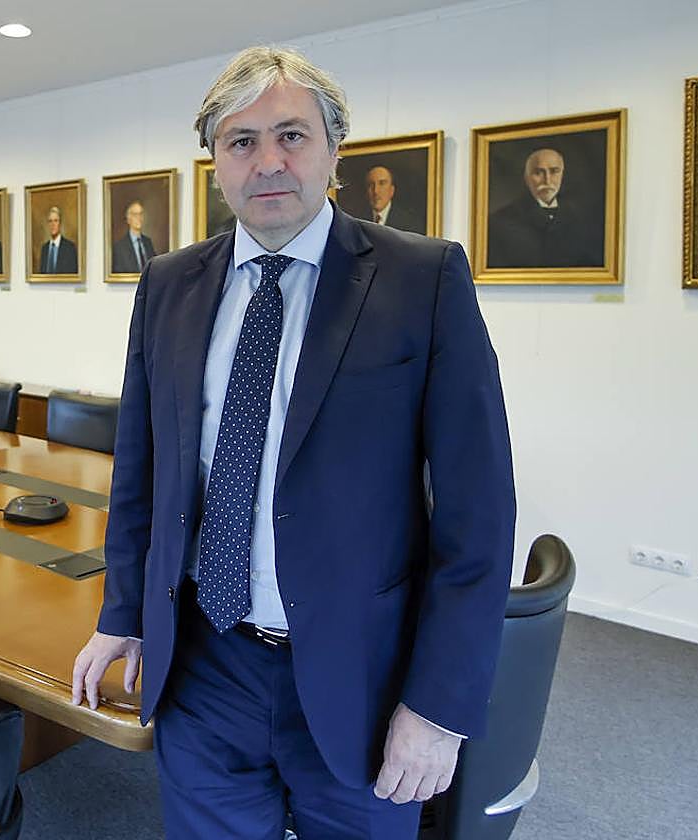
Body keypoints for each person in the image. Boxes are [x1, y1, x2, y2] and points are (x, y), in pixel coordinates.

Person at [72, 45, 514, 839]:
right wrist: (124, 612)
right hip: (205, 664)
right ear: (214, 162)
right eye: (240, 141)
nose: (267, 161)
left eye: (290, 135)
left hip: (362, 676)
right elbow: (143, 473)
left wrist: (439, 707)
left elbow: (476, 517)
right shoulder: (169, 283)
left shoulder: (423, 279)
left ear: (333, 149)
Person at [486, 147, 601, 268]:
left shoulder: (582, 218)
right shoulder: (500, 222)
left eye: (554, 171)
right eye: (538, 172)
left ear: (562, 174)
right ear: (526, 178)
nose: (547, 180)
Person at [363, 164, 425, 234]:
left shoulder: (410, 223)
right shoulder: (358, 222)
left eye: (382, 183)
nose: (376, 191)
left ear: (392, 190)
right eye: (371, 184)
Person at [111, 200, 157, 274]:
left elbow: (154, 269)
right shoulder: (119, 247)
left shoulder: (148, 242)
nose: (139, 218)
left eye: (141, 214)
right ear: (128, 219)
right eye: (135, 214)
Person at [37, 205, 78, 274]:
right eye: (50, 221)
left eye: (56, 221)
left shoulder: (70, 247)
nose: (53, 224)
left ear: (60, 223)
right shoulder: (44, 249)